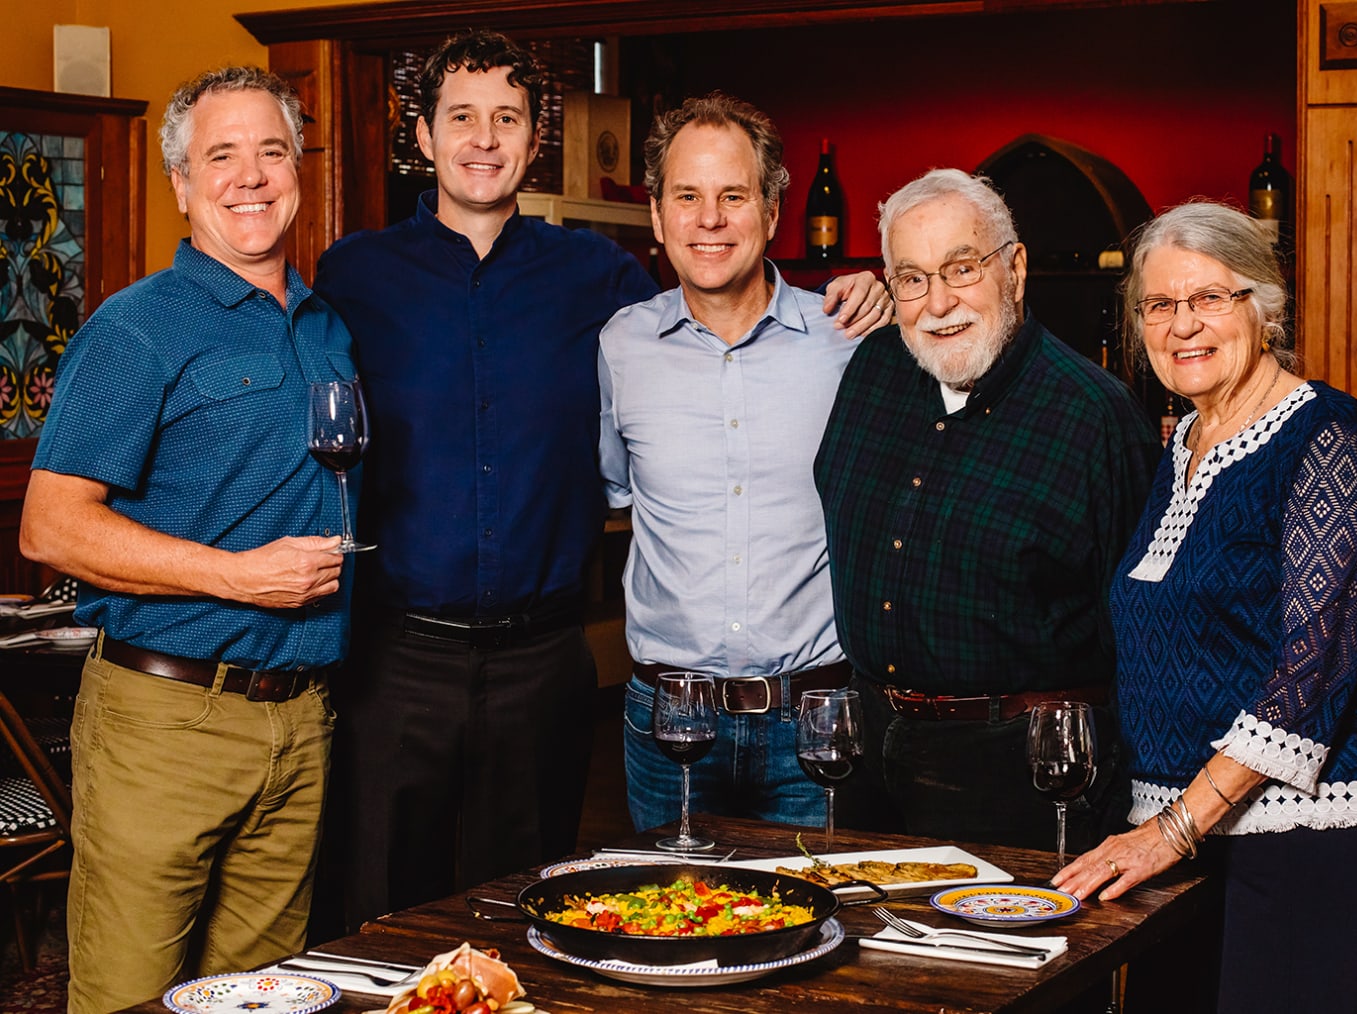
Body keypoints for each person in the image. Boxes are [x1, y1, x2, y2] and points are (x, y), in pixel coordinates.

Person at [314, 31, 883, 927]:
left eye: (507, 118)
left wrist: (873, 291)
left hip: (543, 660)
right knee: (388, 908)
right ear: (422, 137)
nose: (483, 139)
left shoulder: (600, 283)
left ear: (534, 137)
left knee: (544, 907)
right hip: (399, 658)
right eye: (461, 117)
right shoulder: (352, 274)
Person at [1054, 201, 1357, 1013]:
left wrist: (1171, 830)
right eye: (1161, 305)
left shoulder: (1328, 436)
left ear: (1265, 306)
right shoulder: (1181, 444)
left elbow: (1308, 674)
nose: (1184, 325)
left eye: (1210, 297)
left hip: (1339, 836)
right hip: (1205, 840)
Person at [18, 67, 351, 1014]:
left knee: (264, 998)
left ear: (298, 170)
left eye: (271, 152)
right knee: (128, 997)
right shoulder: (136, 329)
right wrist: (238, 579)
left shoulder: (327, 327)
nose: (250, 176)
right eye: (221, 156)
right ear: (181, 182)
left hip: (302, 717)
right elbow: (50, 525)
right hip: (166, 721)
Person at [815, 168, 1160, 851]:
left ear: (1015, 268)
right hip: (866, 746)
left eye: (961, 268)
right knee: (862, 952)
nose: (938, 301)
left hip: (1018, 765)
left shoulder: (1095, 416)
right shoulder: (871, 370)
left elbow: (1141, 637)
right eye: (911, 278)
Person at [600, 94, 888, 833]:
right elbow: (614, 492)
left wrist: (892, 289)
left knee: (829, 933)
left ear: (772, 210)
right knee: (666, 935)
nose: (710, 219)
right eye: (686, 197)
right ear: (658, 218)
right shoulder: (621, 346)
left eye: (734, 196)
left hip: (815, 720)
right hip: (671, 726)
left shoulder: (848, 336)